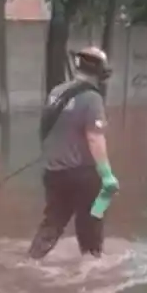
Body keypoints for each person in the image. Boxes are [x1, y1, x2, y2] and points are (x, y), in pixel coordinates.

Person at [28, 46, 120, 260]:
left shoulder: (56, 92)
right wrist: (107, 175)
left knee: (53, 221)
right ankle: (92, 264)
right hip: (83, 174)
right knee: (92, 220)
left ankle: (33, 259)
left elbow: (47, 128)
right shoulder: (92, 98)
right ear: (100, 71)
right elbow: (94, 137)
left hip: (53, 172)